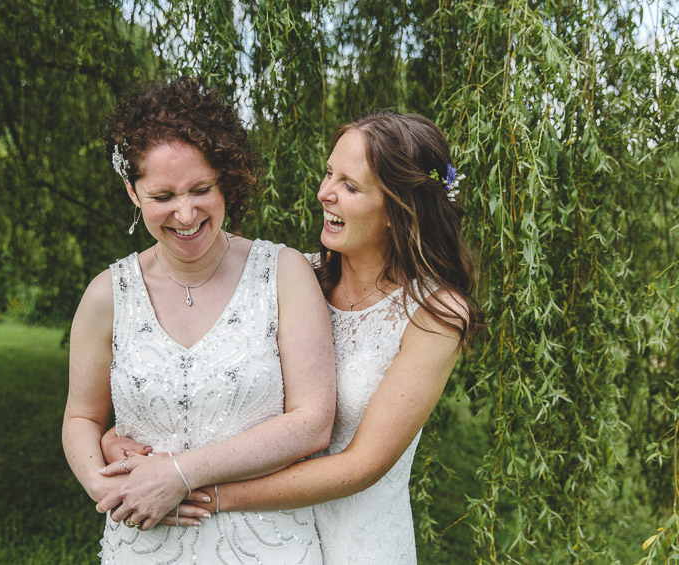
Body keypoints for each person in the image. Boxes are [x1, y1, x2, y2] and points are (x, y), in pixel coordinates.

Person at [101, 111, 483, 564]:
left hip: (355, 540)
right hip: (273, 537)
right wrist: (122, 438)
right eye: (328, 173)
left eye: (350, 187)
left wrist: (208, 493)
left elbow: (363, 465)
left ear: (398, 210)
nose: (324, 193)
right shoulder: (294, 277)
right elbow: (214, 389)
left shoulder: (433, 314)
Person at [62, 76, 336, 563]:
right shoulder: (109, 294)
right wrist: (105, 488)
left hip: (266, 546)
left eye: (201, 189)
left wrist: (180, 474)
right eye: (162, 196)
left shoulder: (283, 273)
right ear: (132, 192)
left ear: (225, 178)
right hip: (144, 542)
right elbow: (82, 417)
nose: (185, 214)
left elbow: (313, 422)